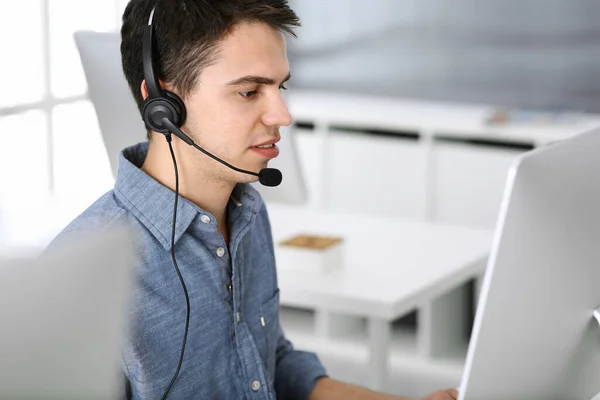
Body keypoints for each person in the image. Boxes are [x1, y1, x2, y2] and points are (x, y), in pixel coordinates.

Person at [47, 0, 459, 399]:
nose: (282, 115)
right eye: (249, 92)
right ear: (164, 106)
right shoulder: (81, 275)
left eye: (280, 88)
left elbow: (267, 363)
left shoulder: (246, 211)